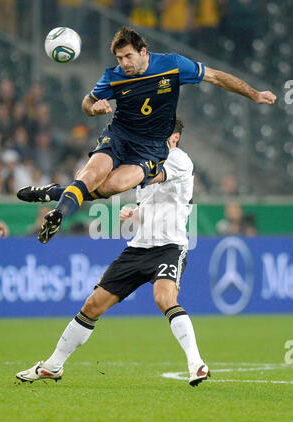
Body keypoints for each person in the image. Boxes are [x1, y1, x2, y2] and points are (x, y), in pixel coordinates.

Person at [17, 25, 276, 244]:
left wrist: (254, 94)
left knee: (111, 187)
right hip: (118, 137)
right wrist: (94, 109)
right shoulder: (114, 77)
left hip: (150, 150)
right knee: (90, 174)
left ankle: (55, 192)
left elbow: (217, 77)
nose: (124, 63)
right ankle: (59, 214)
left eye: (128, 56)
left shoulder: (172, 65)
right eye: (119, 58)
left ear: (143, 51)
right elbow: (87, 102)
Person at [16, 119, 210, 388]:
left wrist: (58, 192)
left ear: (174, 138)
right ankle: (53, 366)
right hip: (138, 248)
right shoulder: (147, 158)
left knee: (163, 297)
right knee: (93, 305)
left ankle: (196, 363)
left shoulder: (178, 160)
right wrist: (134, 213)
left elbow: (131, 180)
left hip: (169, 247)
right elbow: (153, 202)